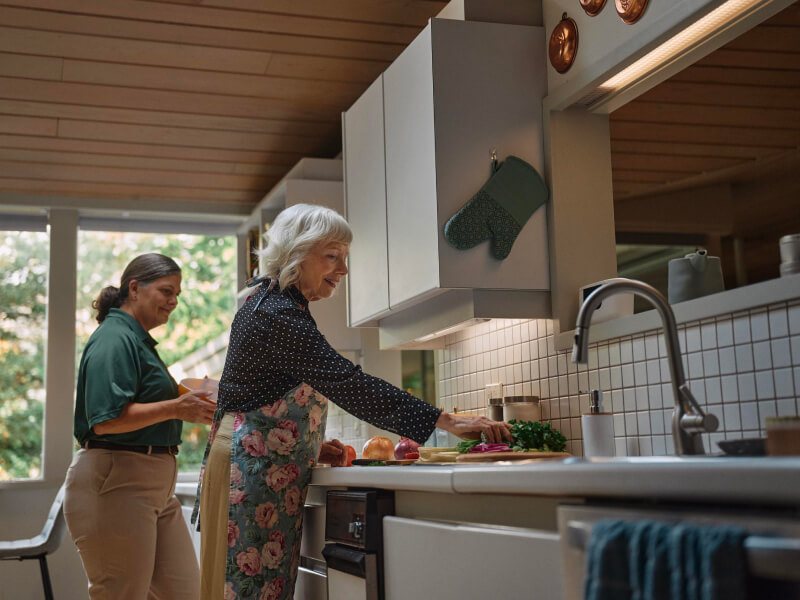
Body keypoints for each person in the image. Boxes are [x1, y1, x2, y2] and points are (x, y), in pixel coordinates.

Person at [196, 204, 511, 600]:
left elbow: (266, 396)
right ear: (297, 252)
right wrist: (446, 421)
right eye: (331, 256)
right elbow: (347, 381)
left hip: (257, 465)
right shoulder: (278, 314)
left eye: (344, 258)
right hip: (250, 471)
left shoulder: (275, 303)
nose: (343, 270)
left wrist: (306, 442)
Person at [63, 253, 217, 599]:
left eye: (177, 293)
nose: (173, 301)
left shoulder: (137, 340)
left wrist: (187, 401)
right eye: (166, 291)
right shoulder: (114, 338)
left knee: (188, 593)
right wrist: (177, 408)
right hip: (117, 482)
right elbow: (104, 420)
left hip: (154, 488)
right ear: (135, 288)